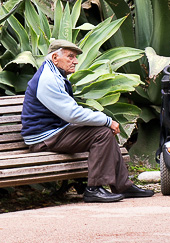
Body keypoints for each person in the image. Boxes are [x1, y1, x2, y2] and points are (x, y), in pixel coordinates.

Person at [21, 39, 154, 203]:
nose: (75, 61)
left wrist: (104, 123)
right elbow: (71, 114)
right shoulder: (48, 79)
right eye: (70, 56)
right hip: (44, 138)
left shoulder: (54, 73)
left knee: (104, 131)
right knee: (102, 132)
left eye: (75, 57)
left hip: (54, 132)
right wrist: (106, 120)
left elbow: (68, 113)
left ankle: (123, 186)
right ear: (55, 57)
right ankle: (94, 189)